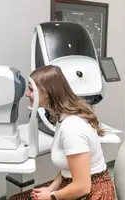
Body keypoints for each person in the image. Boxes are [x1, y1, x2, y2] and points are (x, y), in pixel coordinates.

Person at [9, 65, 115, 200]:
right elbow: (70, 166)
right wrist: (51, 188)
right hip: (76, 184)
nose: (26, 94)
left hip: (93, 192)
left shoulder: (72, 127)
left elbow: (83, 187)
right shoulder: (62, 118)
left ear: (48, 92)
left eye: (31, 90)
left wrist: (52, 196)